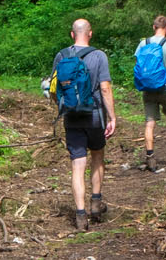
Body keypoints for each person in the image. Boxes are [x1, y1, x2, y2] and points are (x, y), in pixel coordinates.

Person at [49, 18, 117, 232]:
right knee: (97, 156)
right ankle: (95, 205)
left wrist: (64, 106)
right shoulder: (99, 55)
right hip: (95, 115)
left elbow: (53, 89)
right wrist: (113, 117)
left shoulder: (61, 56)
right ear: (90, 33)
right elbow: (105, 89)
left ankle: (80, 216)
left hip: (72, 117)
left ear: (72, 34)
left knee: (77, 165)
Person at [131, 15, 166, 170]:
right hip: (165, 87)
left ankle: (150, 157)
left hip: (147, 88)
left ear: (154, 27)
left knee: (150, 122)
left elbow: (139, 65)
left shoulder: (143, 43)